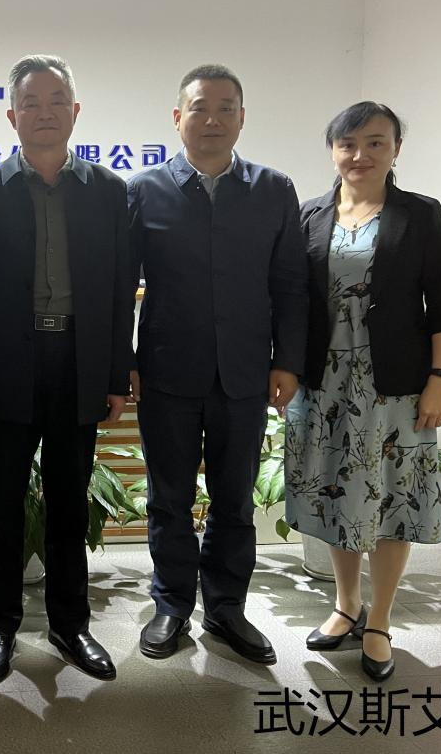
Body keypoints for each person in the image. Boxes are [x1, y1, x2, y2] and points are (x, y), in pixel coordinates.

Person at [127, 63, 307, 665]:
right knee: (169, 499)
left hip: (245, 374)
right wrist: (123, 360)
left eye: (225, 108)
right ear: (177, 117)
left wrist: (287, 361)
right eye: (200, 108)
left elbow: (290, 284)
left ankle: (227, 608)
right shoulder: (143, 190)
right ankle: (172, 604)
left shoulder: (273, 189)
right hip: (167, 373)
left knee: (234, 501)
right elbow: (119, 284)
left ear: (242, 118)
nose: (212, 119)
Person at [286, 102, 441, 682]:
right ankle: (347, 605)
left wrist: (440, 381)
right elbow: (292, 302)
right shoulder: (310, 215)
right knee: (339, 493)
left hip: (395, 388)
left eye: (375, 142)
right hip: (324, 387)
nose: (360, 154)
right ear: (332, 150)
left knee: (392, 501)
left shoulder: (420, 215)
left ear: (395, 149)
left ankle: (381, 620)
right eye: (348, 143)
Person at [0, 55, 133, 684]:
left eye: (56, 101)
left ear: (75, 111)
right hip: (6, 364)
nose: (45, 113)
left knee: (69, 501)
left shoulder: (108, 191)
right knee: (4, 503)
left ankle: (71, 625)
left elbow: (120, 291)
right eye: (31, 103)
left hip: (77, 360)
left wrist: (115, 376)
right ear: (11, 116)